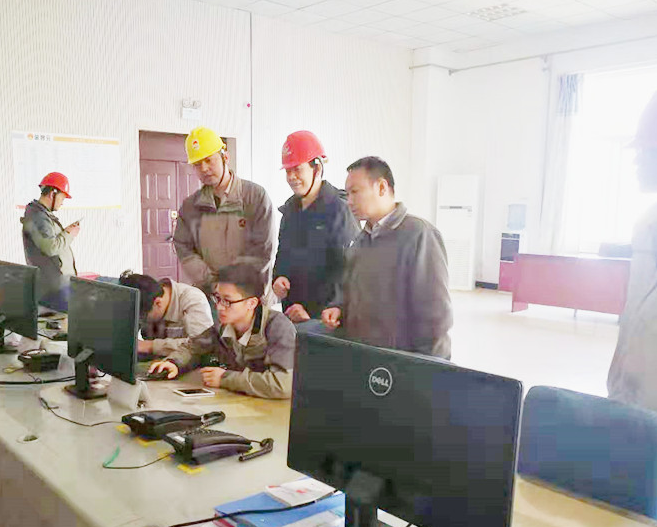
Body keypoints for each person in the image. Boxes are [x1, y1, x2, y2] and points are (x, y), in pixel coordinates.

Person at [321, 156, 453, 359]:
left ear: (382, 187)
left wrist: (429, 367)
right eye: (347, 194)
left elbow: (436, 316)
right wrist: (337, 307)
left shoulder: (419, 235)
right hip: (364, 357)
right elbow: (347, 290)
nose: (349, 201)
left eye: (355, 192)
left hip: (401, 363)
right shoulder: (360, 241)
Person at [148, 263, 296, 399]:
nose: (219, 307)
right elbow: (194, 348)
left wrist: (225, 378)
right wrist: (174, 363)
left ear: (251, 303)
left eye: (227, 301)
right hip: (244, 402)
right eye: (217, 298)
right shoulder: (224, 326)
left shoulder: (277, 327)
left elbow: (283, 384)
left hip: (276, 410)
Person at [608, 88, 657, 414]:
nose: (636, 159)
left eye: (647, 149)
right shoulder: (647, 224)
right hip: (629, 404)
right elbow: (633, 324)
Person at [173, 127, 275, 297]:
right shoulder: (190, 207)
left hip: (250, 296)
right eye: (197, 164)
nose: (204, 168)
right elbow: (184, 248)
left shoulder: (255, 197)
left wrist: (234, 288)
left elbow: (262, 249)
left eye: (209, 160)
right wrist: (213, 284)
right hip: (211, 296)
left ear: (225, 157)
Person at [272, 131, 360, 326]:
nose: (291, 177)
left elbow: (347, 273)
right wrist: (278, 278)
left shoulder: (340, 210)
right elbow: (282, 254)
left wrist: (312, 313)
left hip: (326, 321)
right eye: (287, 171)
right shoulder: (290, 210)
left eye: (297, 169)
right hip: (292, 316)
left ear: (317, 168)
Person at [118, 272, 213, 357]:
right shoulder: (145, 297)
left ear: (158, 303)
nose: (141, 321)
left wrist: (150, 346)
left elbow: (202, 345)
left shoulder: (193, 300)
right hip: (159, 360)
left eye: (143, 318)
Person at [21, 172, 79, 311]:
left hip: (53, 285)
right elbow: (50, 247)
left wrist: (65, 232)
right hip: (56, 288)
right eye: (62, 197)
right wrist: (69, 234)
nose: (62, 202)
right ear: (53, 194)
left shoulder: (39, 214)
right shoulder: (39, 217)